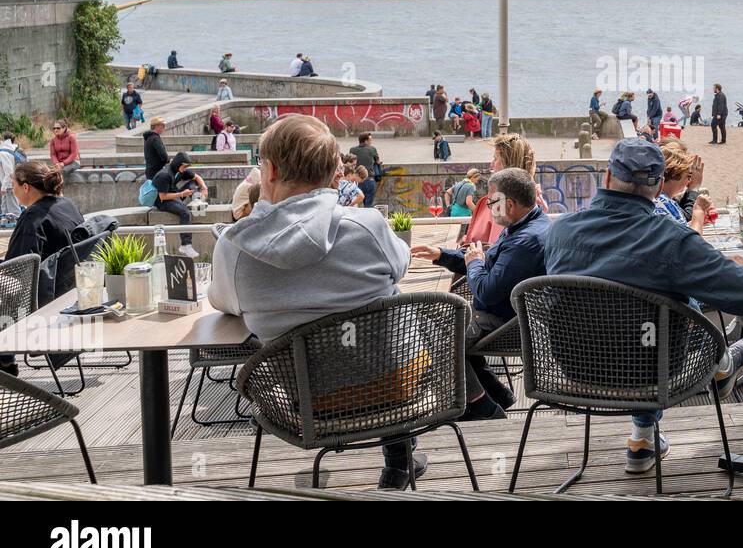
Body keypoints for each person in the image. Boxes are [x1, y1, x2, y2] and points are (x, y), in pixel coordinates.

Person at [207, 114, 425, 489]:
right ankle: (399, 458)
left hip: (305, 402)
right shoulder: (366, 226)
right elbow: (401, 265)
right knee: (389, 301)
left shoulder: (235, 248)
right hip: (395, 389)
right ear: (332, 174)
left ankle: (399, 460)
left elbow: (222, 302)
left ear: (270, 170)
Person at [544, 139, 743, 473]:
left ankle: (643, 439)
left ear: (607, 177)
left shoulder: (560, 232)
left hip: (573, 366)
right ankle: (721, 360)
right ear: (657, 189)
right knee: (659, 321)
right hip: (654, 371)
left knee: (640, 320)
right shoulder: (671, 239)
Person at [412, 166, 552, 420]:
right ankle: (497, 393)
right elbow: (487, 261)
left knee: (434, 337)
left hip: (506, 324)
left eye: (492, 202)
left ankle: (481, 407)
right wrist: (442, 255)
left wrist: (474, 261)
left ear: (509, 204)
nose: (488, 207)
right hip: (504, 314)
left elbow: (486, 290)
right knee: (434, 324)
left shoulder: (525, 241)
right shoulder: (529, 223)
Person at [1, 161, 86, 377]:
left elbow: (17, 269)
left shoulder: (33, 218)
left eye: (14, 186)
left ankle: (4, 360)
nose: (13, 191)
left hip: (40, 298)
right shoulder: (66, 204)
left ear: (26, 187)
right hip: (67, 290)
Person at [463, 133, 549, 247]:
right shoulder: (536, 204)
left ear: (508, 164)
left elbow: (493, 249)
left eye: (495, 158)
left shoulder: (499, 204)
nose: (491, 164)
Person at [152, 153, 206, 255]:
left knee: (192, 184)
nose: (185, 169)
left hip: (173, 194)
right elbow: (162, 196)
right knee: (185, 213)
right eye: (184, 166)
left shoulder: (180, 170)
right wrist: (182, 194)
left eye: (187, 167)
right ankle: (185, 245)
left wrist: (204, 188)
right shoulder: (165, 175)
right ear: (178, 164)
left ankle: (197, 201)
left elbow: (196, 177)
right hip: (162, 202)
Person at [655, 144, 714, 235]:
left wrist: (697, 219)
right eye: (688, 176)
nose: (689, 181)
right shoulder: (662, 201)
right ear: (674, 175)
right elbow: (693, 243)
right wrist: (699, 210)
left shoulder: (658, 197)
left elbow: (680, 227)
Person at [0, 132, 20, 227]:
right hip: (8, 183)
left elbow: (9, 173)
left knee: (13, 207)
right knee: (5, 206)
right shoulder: (10, 149)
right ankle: (5, 221)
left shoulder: (3, 152)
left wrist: (3, 187)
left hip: (8, 184)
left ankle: (17, 224)